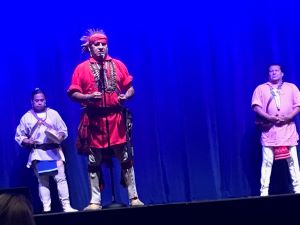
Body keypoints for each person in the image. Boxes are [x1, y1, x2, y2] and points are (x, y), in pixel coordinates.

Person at [67, 29, 144, 210]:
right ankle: (95, 201)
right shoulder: (81, 69)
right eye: (97, 44)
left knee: (125, 157)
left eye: (103, 44)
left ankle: (134, 197)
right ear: (90, 48)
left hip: (116, 119)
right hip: (95, 121)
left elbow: (130, 87)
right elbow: (72, 92)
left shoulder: (118, 65)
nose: (101, 47)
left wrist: (126, 95)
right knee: (94, 161)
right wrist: (87, 98)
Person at [15, 88, 78, 213]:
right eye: (36, 100)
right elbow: (19, 135)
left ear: (45, 100)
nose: (39, 102)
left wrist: (59, 136)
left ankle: (66, 206)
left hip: (54, 152)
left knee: (61, 179)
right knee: (43, 181)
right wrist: (27, 141)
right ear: (32, 102)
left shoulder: (53, 114)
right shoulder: (26, 117)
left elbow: (63, 130)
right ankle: (46, 207)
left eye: (41, 100)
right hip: (38, 153)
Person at [251, 64, 300, 196]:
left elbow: (298, 105)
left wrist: (289, 116)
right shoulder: (261, 88)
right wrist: (269, 117)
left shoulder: (291, 87)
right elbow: (256, 106)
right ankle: (264, 192)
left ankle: (298, 190)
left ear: (282, 73)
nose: (273, 73)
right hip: (270, 130)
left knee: (293, 161)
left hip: (287, 128)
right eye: (271, 71)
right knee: (267, 161)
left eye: (276, 71)